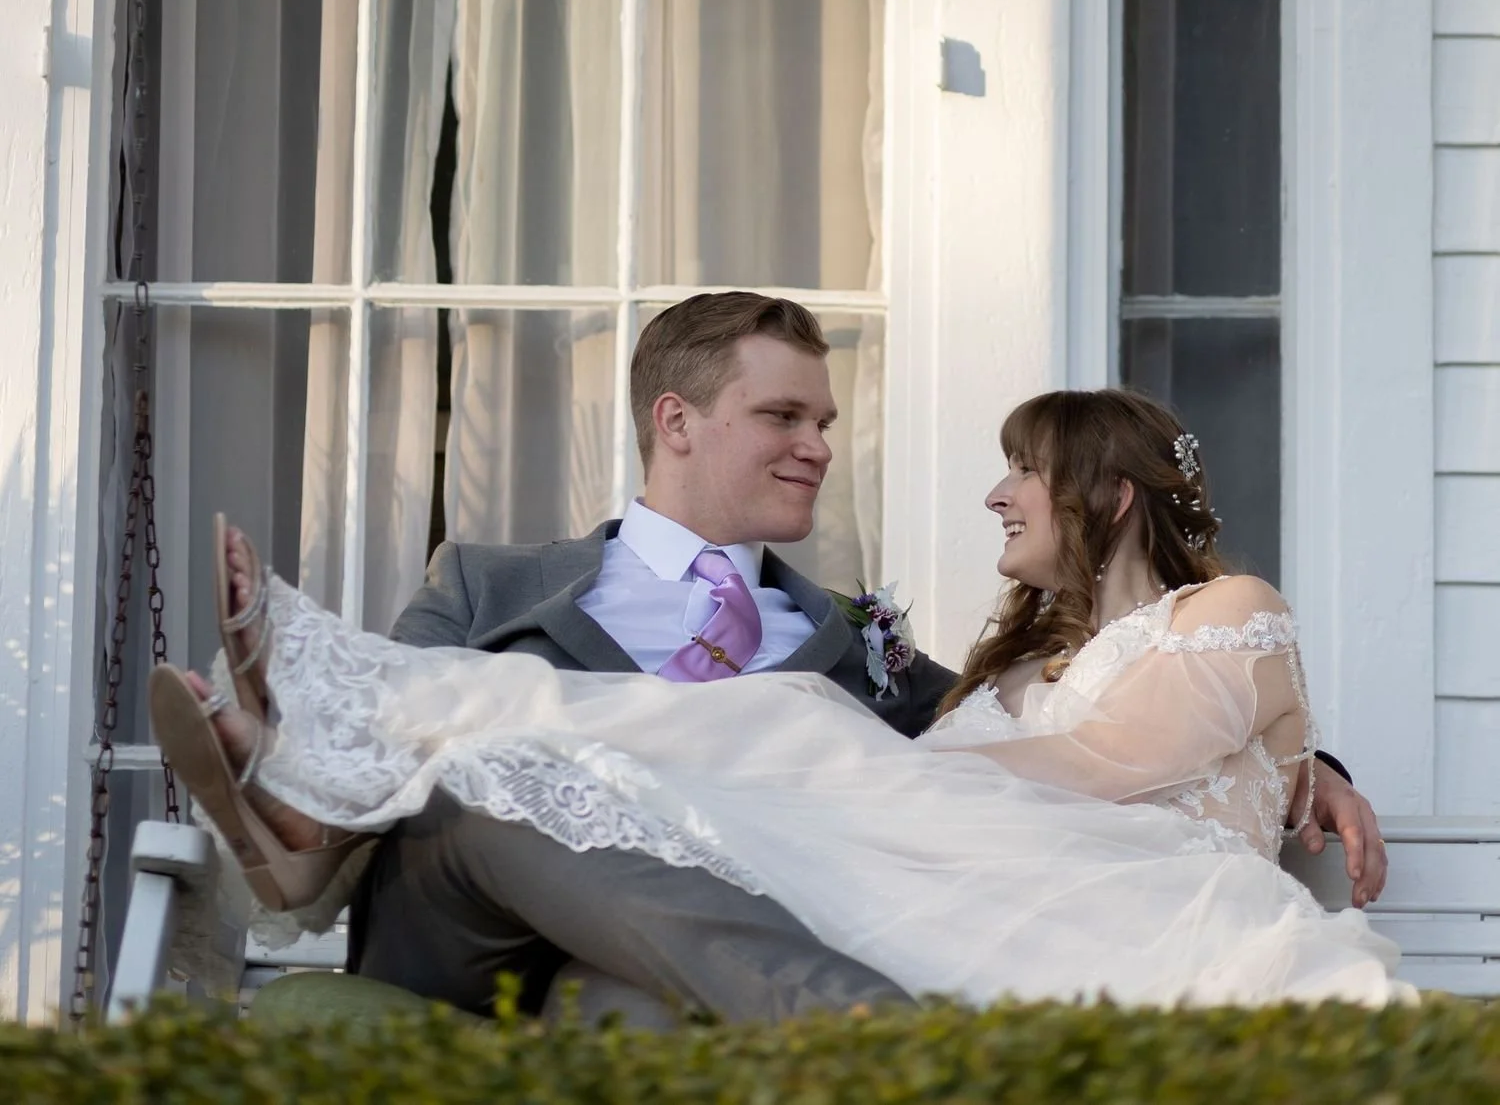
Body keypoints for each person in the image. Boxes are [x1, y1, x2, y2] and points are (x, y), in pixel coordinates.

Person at [152, 303, 1399, 1013]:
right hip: (488, 936)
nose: (819, 447)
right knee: (494, 778)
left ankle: (300, 743)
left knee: (764, 743)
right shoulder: (487, 581)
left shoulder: (856, 641)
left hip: (687, 977)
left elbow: (1052, 756)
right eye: (784, 417)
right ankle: (305, 766)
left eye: (826, 422)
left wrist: (1304, 761)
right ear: (677, 422)